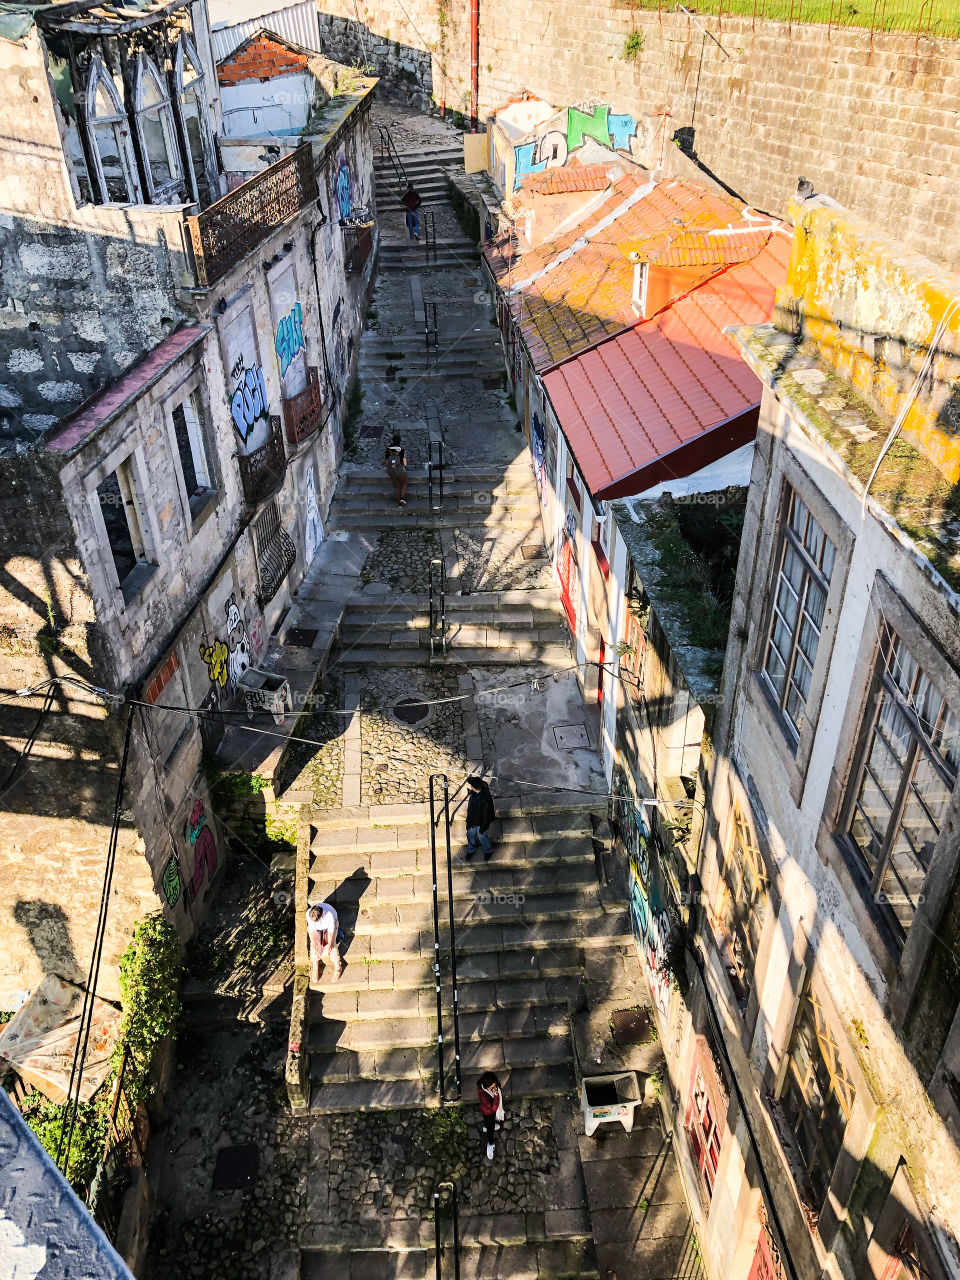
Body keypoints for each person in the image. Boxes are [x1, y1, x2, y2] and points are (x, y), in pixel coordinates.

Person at [306, 900, 342, 983]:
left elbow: (330, 932)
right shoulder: (309, 914)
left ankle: (338, 967)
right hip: (317, 929)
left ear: (322, 915)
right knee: (313, 944)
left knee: (332, 944)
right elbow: (312, 930)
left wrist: (329, 944)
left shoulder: (329, 915)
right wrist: (315, 942)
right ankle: (315, 966)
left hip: (330, 927)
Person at [465, 776, 495, 862]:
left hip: (481, 822)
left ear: (475, 788)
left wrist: (483, 827)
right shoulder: (475, 794)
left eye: (472, 786)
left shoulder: (485, 799)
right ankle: (471, 850)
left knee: (482, 836)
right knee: (470, 834)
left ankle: (488, 851)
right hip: (473, 820)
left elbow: (487, 815)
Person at [477, 1071, 503, 1161]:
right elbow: (493, 1109)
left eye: (494, 1085)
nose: (494, 1088)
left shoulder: (491, 1085)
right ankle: (490, 1144)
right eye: (492, 1087)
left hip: (488, 1111)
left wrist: (495, 1091)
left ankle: (488, 1126)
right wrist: (496, 1096)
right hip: (488, 1112)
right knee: (490, 1129)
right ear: (487, 1087)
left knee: (489, 1123)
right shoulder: (482, 1094)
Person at [385, 433, 408, 507]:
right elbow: (405, 463)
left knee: (397, 486)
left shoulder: (388, 450)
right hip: (400, 470)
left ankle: (399, 504)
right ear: (400, 441)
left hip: (391, 471)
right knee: (403, 483)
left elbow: (387, 462)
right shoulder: (402, 450)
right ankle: (402, 497)